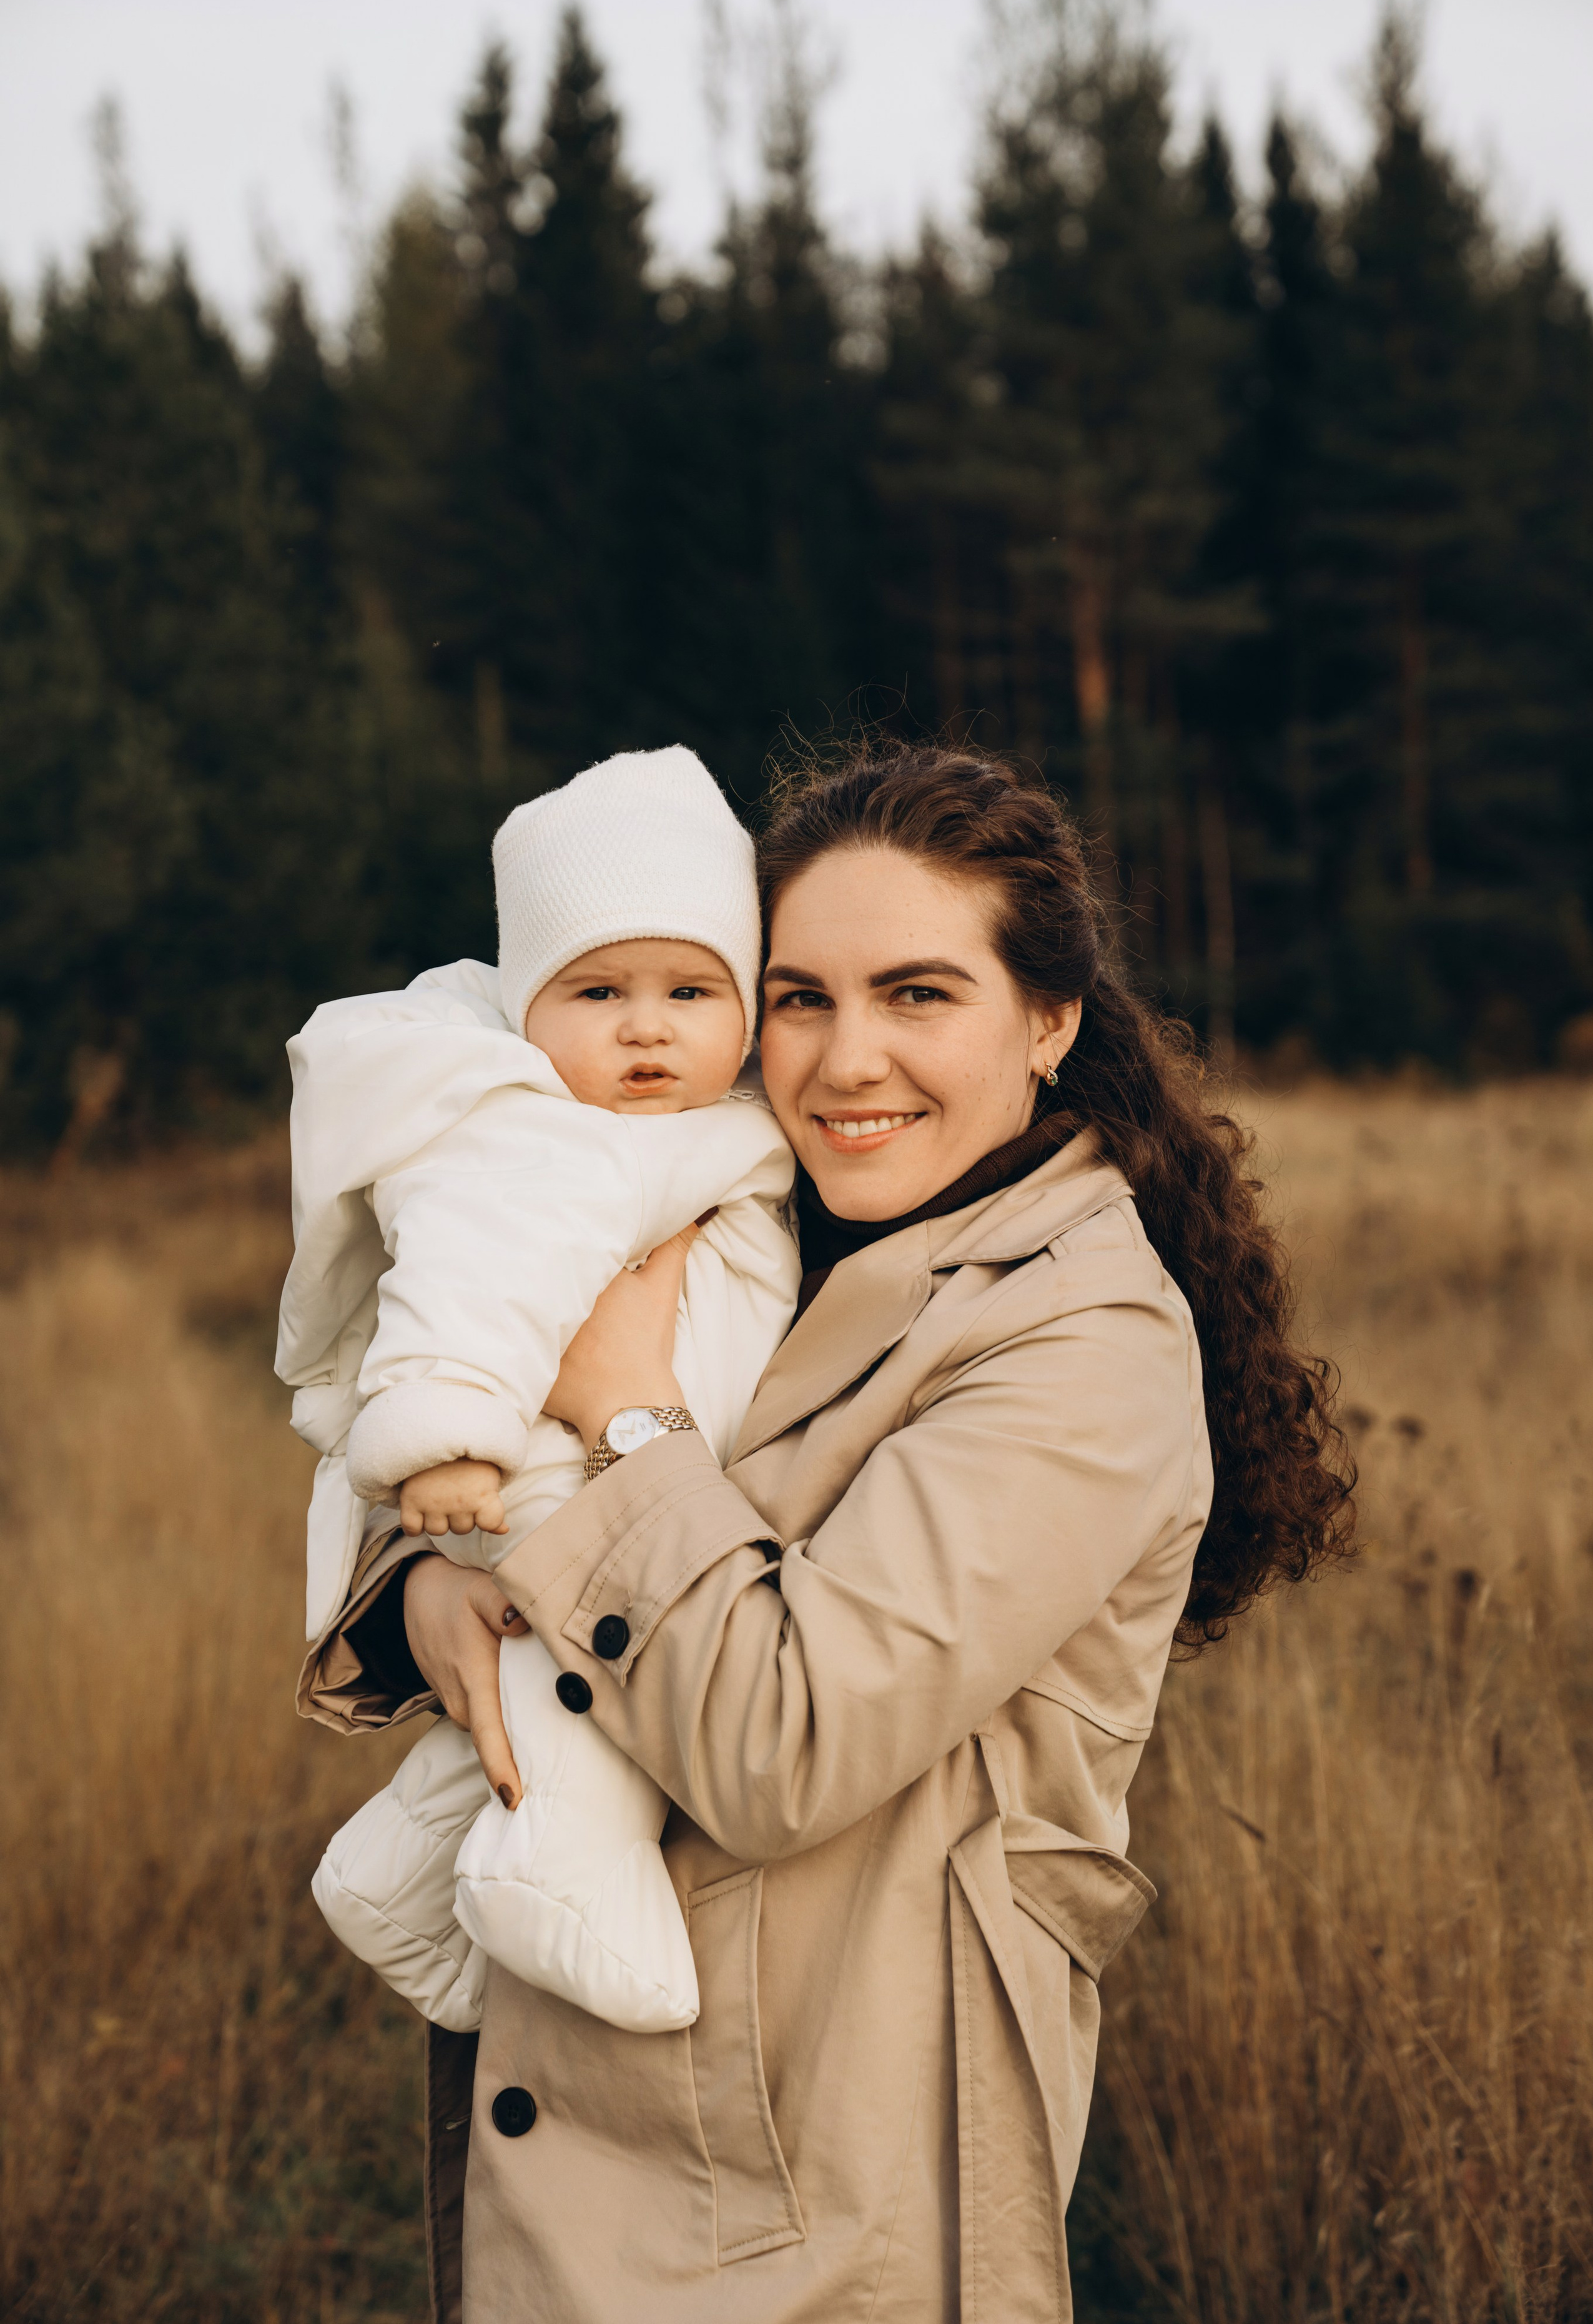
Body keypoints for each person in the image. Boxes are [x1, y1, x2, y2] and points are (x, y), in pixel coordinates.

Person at [300, 740, 1354, 2323]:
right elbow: (513, 1450)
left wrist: (630, 1414)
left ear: (1049, 1020)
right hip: (604, 2153)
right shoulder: (760, 1214)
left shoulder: (1079, 1339)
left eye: (918, 995)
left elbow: (783, 1739)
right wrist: (429, 1583)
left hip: (816, 2215)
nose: (845, 1060)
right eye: (800, 997)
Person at [280, 746, 798, 2037]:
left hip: (634, 1467)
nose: (644, 1026)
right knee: (592, 1705)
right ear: (525, 1008)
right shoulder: (539, 1139)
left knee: (517, 1701)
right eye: (597, 990)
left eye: (689, 989)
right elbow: (473, 1275)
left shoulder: (693, 1133)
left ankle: (396, 1870)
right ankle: (560, 1872)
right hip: (553, 1473)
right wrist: (443, 1433)